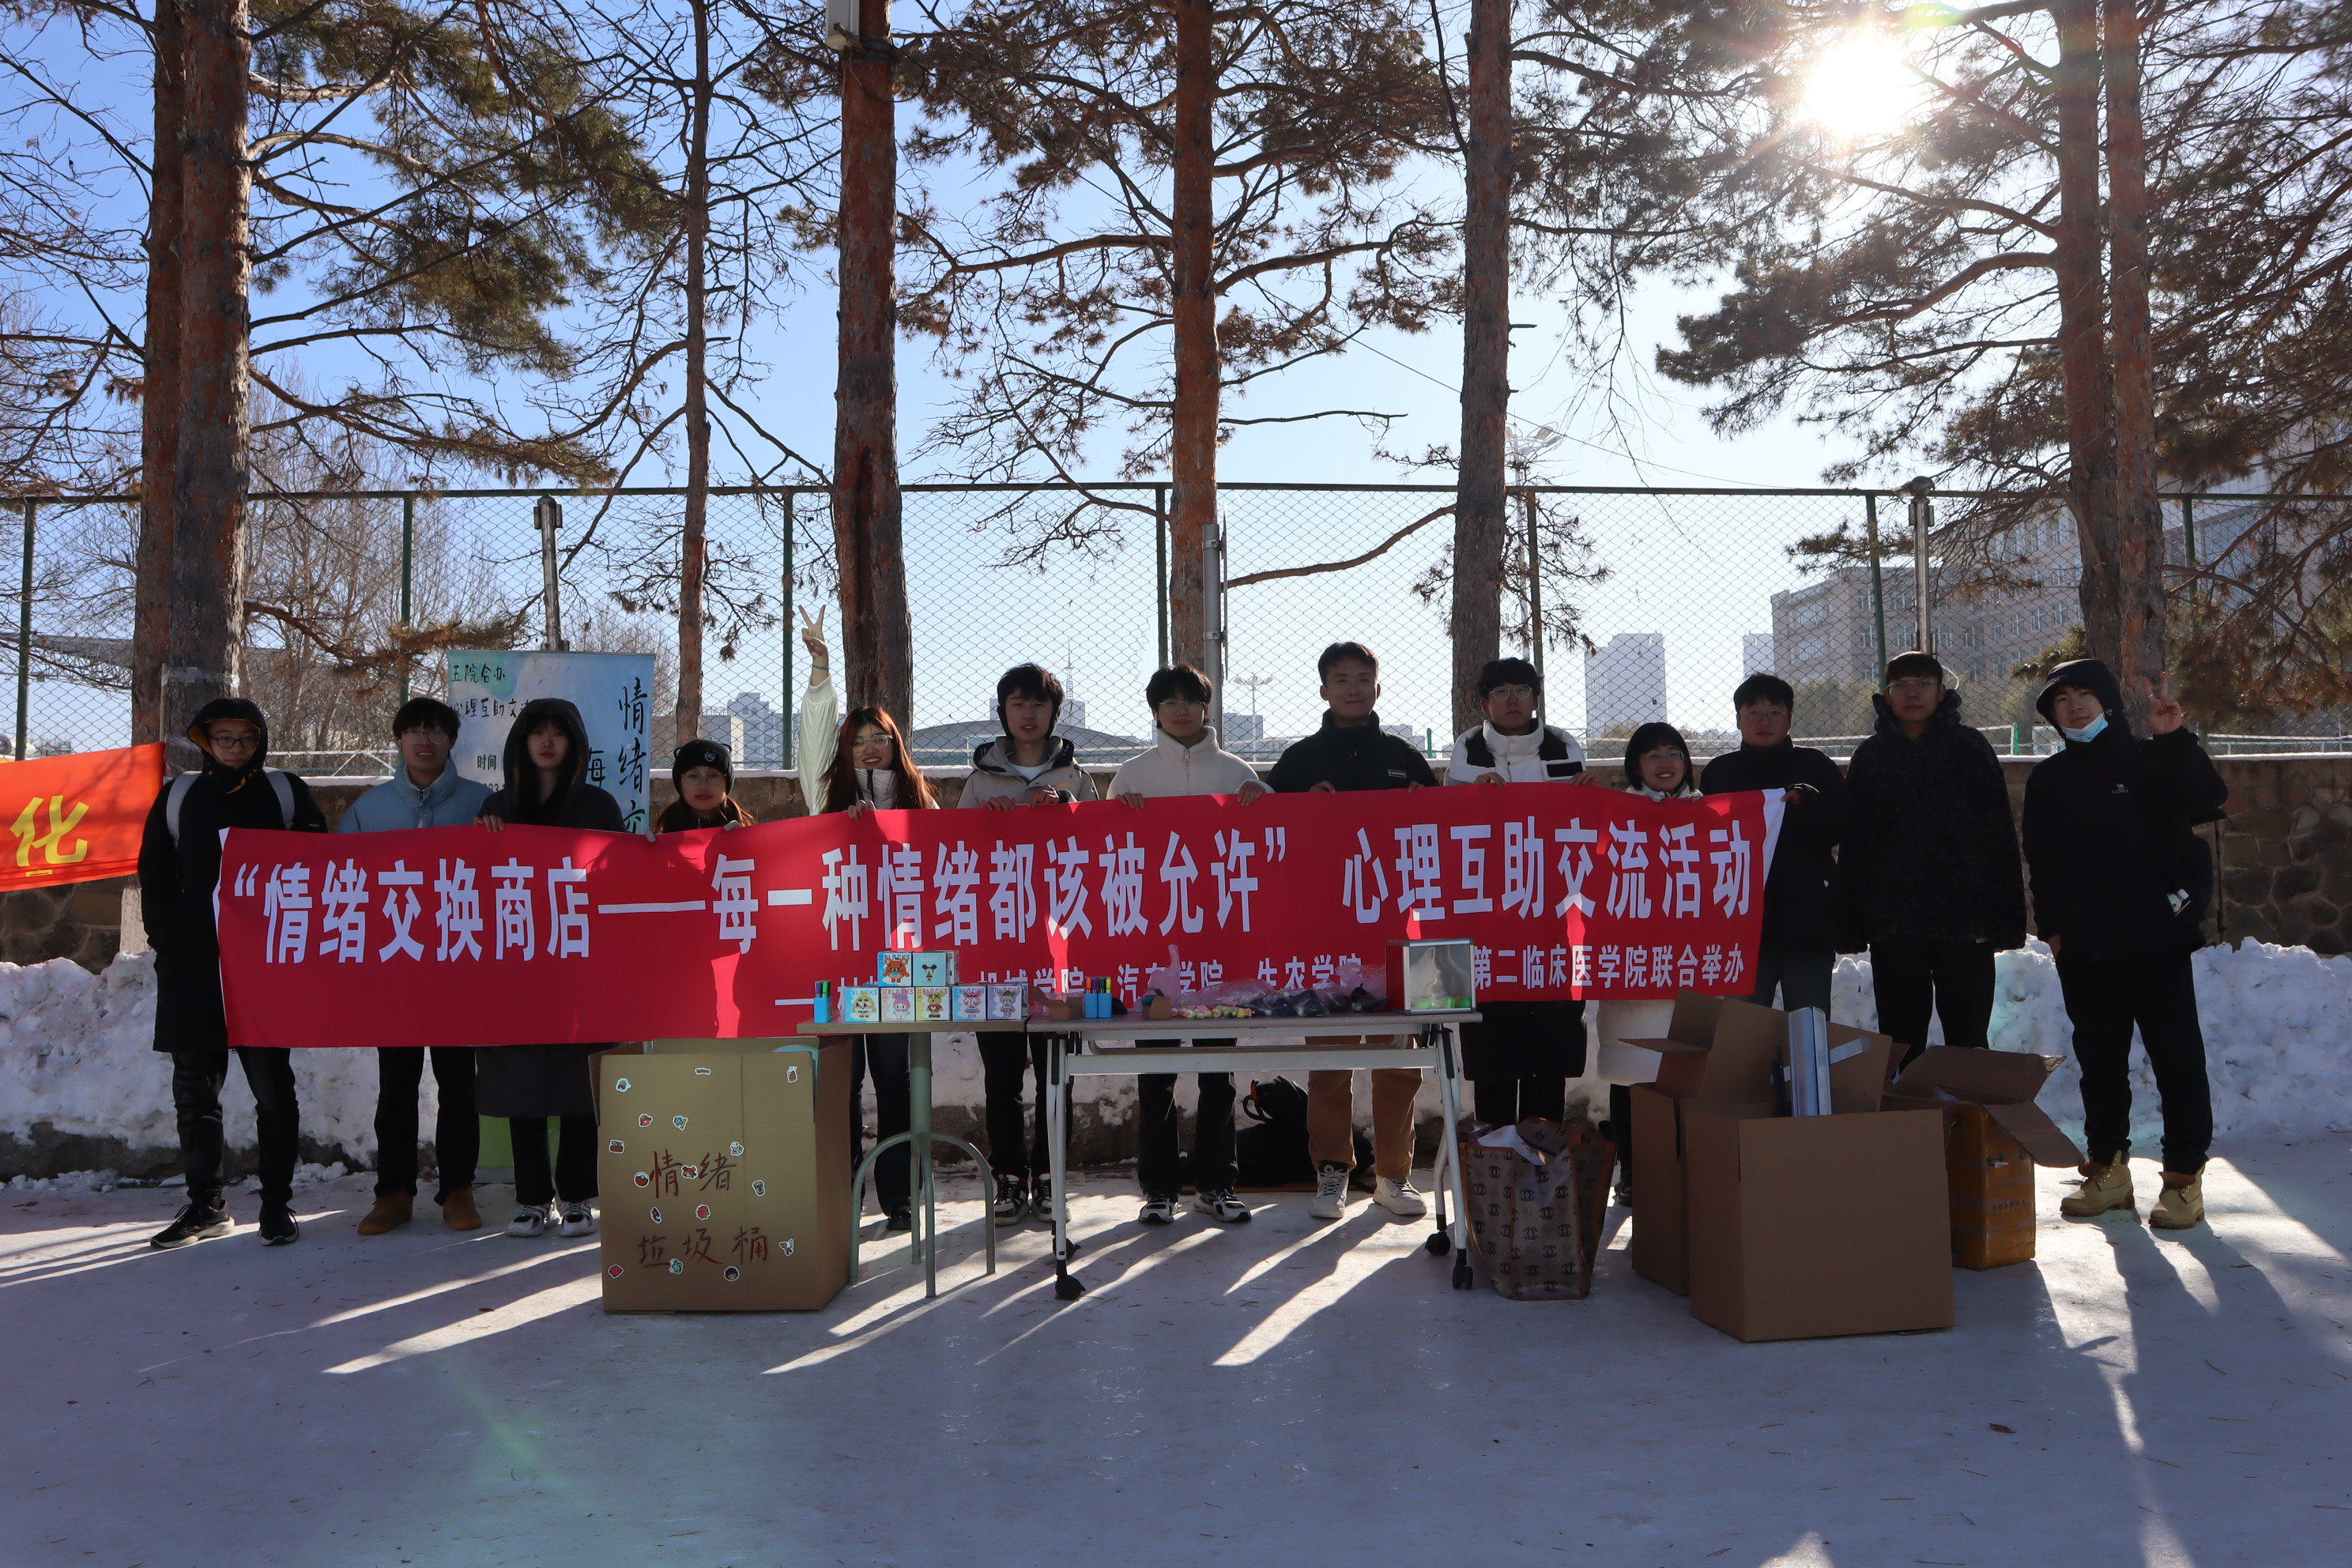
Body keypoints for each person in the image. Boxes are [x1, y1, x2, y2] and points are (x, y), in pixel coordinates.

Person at [2024, 661, 2228, 1231]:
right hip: (2085, 950)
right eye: (2061, 700)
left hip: (2156, 944)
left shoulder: (2150, 759)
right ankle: (2109, 1169)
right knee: (2100, 1065)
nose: (2074, 707)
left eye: (2084, 695)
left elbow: (2209, 795)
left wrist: (2174, 738)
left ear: (2108, 701)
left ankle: (2184, 1179)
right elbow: (2041, 860)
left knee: (2177, 1062)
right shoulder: (2049, 779)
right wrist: (2054, 930)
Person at [141, 698, 328, 1250]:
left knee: (273, 1088)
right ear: (207, 741)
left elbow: (319, 864)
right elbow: (154, 872)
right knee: (195, 1089)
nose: (235, 748)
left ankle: (276, 1205)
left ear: (260, 740)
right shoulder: (180, 796)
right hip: (194, 963)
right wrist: (167, 937)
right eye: (224, 738)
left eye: (246, 738)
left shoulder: (284, 792)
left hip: (265, 963)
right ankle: (206, 1205)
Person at [1268, 641, 1438, 1222]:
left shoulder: (1405, 759)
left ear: (1378, 687)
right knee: (1330, 1057)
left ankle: (1393, 1175)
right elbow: (1269, 843)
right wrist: (1300, 808)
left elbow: (1442, 835)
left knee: (1399, 1058)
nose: (1353, 688)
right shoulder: (1298, 762)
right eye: (1342, 679)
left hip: (1396, 927)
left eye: (1364, 678)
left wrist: (1422, 805)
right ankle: (1332, 1171)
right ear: (1324, 689)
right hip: (1326, 930)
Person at [1108, 664, 1266, 1227]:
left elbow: (1272, 844)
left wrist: (1263, 798)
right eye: (1169, 701)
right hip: (1155, 946)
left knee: (1218, 1069)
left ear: (1206, 706)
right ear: (1155, 710)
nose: (1180, 710)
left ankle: (1217, 1183)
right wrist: (1119, 815)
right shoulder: (1131, 775)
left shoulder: (1236, 771)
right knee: (1157, 1070)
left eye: (1190, 701)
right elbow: (1110, 855)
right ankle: (1159, 1188)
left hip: (1221, 943)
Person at [797, 612, 933, 1232]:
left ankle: (899, 1197)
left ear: (896, 743)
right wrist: (820, 673)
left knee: (895, 1080)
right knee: (843, 1082)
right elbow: (813, 741)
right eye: (857, 741)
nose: (869, 748)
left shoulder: (920, 803)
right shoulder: (824, 800)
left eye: (879, 737)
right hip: (837, 960)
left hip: (901, 963)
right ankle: (843, 1194)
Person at [339, 696, 493, 1236]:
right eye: (414, 731)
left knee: (459, 1085)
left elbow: (509, 877)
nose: (424, 741)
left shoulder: (483, 803)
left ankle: (458, 1188)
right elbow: (341, 882)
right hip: (395, 969)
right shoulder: (368, 810)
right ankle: (394, 1192)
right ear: (399, 740)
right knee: (397, 1085)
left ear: (452, 741)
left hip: (459, 967)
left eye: (435, 731)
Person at [475, 697, 625, 1239]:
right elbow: (476, 882)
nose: (546, 741)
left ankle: (578, 1195)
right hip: (516, 964)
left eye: (557, 732)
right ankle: (533, 1198)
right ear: (521, 742)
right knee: (523, 1085)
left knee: (579, 1082)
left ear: (574, 744)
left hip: (580, 964)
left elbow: (620, 874)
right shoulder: (498, 806)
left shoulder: (598, 806)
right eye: (536, 731)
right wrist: (484, 835)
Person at [1840, 653, 2026, 1071]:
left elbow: (1998, 838)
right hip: (1894, 923)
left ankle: (1970, 1113)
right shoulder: (1871, 756)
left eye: (1923, 684)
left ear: (1941, 692)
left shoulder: (1970, 749)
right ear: (1887, 695)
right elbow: (1855, 845)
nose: (1913, 693)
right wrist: (1851, 921)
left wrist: (2004, 918)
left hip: (1964, 922)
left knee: (1968, 1041)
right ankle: (1907, 1113)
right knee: (1900, 1042)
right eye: (1902, 685)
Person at [961, 662, 1099, 1223]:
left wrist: (1068, 810)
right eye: (1017, 703)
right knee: (1001, 1075)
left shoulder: (1077, 779)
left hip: (1058, 949)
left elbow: (1103, 852)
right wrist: (986, 821)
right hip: (995, 949)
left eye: (1038, 704)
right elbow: (955, 862)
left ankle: (1048, 1177)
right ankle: (1009, 1179)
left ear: (1053, 713)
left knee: (1055, 1073)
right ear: (1003, 711)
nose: (1028, 713)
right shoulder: (979, 782)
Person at [1444, 658, 1588, 1129]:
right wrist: (1470, 799)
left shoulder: (1567, 750)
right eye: (1500, 691)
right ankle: (1494, 1149)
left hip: (1554, 918)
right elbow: (1443, 835)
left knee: (1552, 1031)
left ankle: (1545, 1151)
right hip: (1489, 921)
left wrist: (1592, 797)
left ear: (1535, 699)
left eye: (1522, 690)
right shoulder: (1464, 757)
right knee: (1494, 1035)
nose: (1512, 700)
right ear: (1484, 703)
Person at [1585, 720, 1701, 1206]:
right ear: (1636, 765)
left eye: (1674, 753)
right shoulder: (1614, 814)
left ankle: (1681, 1166)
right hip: (1633, 965)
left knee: (1683, 1075)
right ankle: (1632, 1170)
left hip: (1690, 964)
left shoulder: (1709, 814)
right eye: (1653, 755)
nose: (1665, 763)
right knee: (1632, 1074)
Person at [1699, 673, 1850, 1012]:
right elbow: (1701, 843)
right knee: (1743, 1026)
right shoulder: (1719, 773)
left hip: (1807, 922)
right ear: (1738, 719)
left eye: (1774, 712)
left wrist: (1810, 804)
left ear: (1790, 718)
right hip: (1741, 926)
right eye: (1753, 712)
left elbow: (1843, 825)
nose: (1764, 721)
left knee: (1809, 1025)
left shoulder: (1816, 767)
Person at [656, 737, 756, 834]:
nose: (703, 787)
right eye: (693, 776)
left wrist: (745, 842)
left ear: (727, 782)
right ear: (680, 782)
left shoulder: (751, 836)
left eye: (713, 776)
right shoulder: (664, 831)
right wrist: (652, 845)